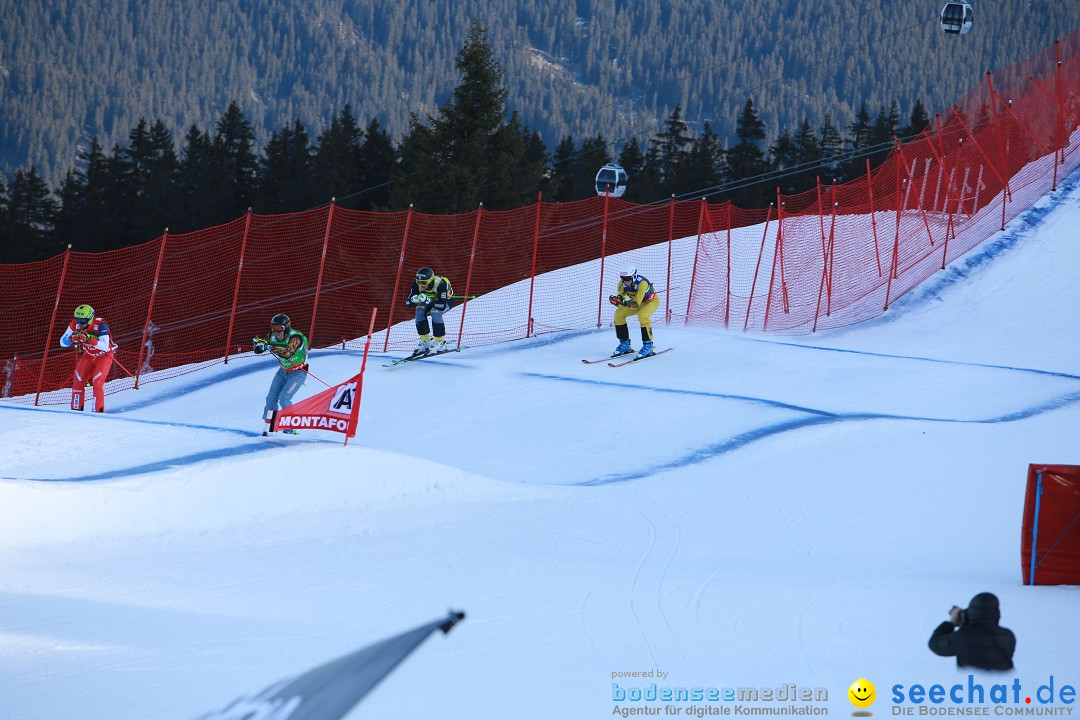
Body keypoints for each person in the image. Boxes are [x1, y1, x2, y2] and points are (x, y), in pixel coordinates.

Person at [929, 592, 1016, 671]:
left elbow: (934, 644)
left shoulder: (962, 637)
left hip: (971, 685)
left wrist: (951, 623)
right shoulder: (1008, 636)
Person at [253, 313, 309, 433]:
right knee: (271, 398)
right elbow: (262, 341)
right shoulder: (272, 336)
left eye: (279, 329)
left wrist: (268, 347)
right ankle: (270, 426)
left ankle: (290, 428)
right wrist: (259, 344)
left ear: (286, 328)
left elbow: (288, 353)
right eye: (274, 328)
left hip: (298, 372)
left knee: (284, 398)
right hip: (283, 371)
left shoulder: (296, 338)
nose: (276, 332)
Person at [59, 304, 116, 412]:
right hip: (89, 356)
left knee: (97, 382)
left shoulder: (100, 324)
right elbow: (62, 342)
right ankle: (76, 410)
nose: (80, 324)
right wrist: (71, 339)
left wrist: (89, 339)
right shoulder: (75, 324)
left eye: (83, 321)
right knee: (78, 380)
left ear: (90, 318)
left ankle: (97, 412)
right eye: (78, 320)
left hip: (104, 356)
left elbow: (104, 346)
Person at [609, 267, 659, 358]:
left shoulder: (642, 283)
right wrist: (617, 301)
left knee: (642, 316)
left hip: (650, 302)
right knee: (618, 314)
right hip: (635, 302)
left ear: (634, 276)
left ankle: (648, 346)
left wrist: (623, 302)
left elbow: (636, 304)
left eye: (627, 279)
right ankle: (625, 344)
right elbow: (622, 298)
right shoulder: (622, 283)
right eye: (623, 278)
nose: (625, 281)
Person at [405, 266, 454, 355]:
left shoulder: (441, 284)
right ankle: (425, 340)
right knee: (419, 310)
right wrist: (413, 300)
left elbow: (442, 306)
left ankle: (440, 341)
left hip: (445, 301)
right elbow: (408, 303)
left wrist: (428, 301)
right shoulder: (417, 284)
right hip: (430, 300)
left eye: (423, 283)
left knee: (435, 312)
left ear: (430, 280)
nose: (421, 285)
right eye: (419, 282)